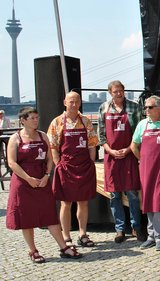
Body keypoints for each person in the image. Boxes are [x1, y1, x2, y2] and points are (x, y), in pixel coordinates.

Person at [6, 107, 82, 263]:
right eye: (32, 118)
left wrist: (47, 175)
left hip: (42, 181)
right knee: (26, 217)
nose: (36, 120)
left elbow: (48, 158)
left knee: (49, 214)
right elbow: (12, 163)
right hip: (23, 183)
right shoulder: (15, 138)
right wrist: (28, 178)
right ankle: (33, 251)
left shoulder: (43, 136)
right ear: (23, 120)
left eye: (36, 117)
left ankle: (64, 247)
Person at [48, 91, 97, 248]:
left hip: (84, 167)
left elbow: (92, 144)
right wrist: (58, 164)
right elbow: (53, 147)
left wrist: (91, 162)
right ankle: (66, 235)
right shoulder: (57, 122)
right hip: (66, 167)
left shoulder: (85, 121)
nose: (74, 104)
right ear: (65, 102)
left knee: (83, 202)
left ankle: (82, 234)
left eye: (76, 101)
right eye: (71, 101)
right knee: (66, 203)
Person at [97, 80, 145, 243]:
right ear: (110, 92)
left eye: (121, 90)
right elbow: (101, 135)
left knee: (132, 194)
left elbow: (139, 133)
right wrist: (110, 151)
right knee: (114, 195)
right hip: (111, 157)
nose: (119, 93)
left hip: (129, 155)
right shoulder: (103, 108)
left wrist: (129, 149)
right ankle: (119, 229)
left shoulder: (134, 107)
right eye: (116, 91)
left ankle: (136, 227)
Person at [130, 95, 160, 251]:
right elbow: (133, 146)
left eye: (149, 107)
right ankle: (151, 236)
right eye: (145, 107)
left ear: (159, 108)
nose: (146, 110)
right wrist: (142, 159)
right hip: (146, 169)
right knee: (148, 201)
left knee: (159, 202)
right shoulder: (142, 124)